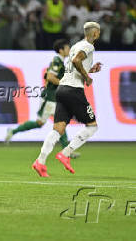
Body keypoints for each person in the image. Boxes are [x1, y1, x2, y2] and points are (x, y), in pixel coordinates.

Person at [32, 22, 103, 177]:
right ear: (95, 33)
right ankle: (66, 153)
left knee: (58, 129)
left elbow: (72, 66)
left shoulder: (76, 45)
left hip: (62, 89)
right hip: (74, 90)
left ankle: (40, 161)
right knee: (92, 126)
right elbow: (77, 61)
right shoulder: (89, 46)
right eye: (99, 32)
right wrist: (87, 77)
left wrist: (90, 69)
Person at [5, 39, 81, 158]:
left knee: (45, 122)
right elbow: (51, 77)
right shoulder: (57, 61)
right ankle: (67, 151)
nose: (69, 49)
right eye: (67, 48)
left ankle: (12, 131)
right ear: (61, 50)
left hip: (55, 98)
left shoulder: (61, 62)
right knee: (58, 122)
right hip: (50, 98)